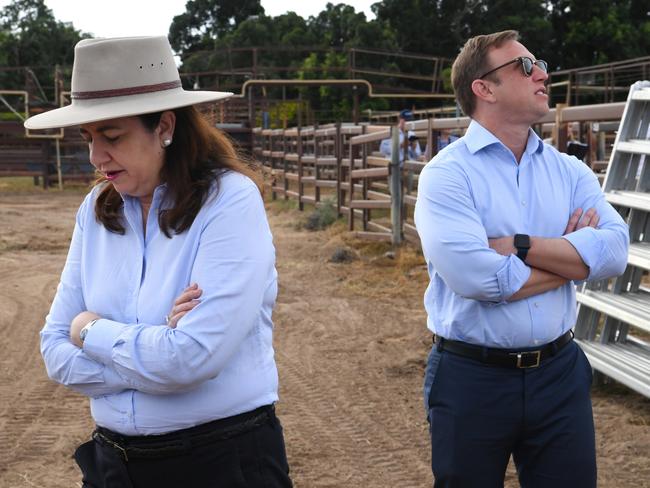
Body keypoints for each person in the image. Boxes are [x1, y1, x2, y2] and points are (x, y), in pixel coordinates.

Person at [25, 36, 292, 488]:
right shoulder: (95, 210)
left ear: (165, 126)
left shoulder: (228, 202)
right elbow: (55, 352)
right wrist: (157, 350)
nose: (95, 156)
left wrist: (88, 330)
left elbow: (190, 359)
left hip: (221, 464)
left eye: (112, 136)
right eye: (88, 138)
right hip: (113, 466)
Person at [414, 30, 629, 487]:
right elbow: (480, 280)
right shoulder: (446, 176)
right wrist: (572, 260)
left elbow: (614, 252)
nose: (543, 74)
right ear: (484, 88)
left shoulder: (569, 170)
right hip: (472, 377)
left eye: (539, 63)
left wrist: (519, 244)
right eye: (526, 66)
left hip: (560, 372)